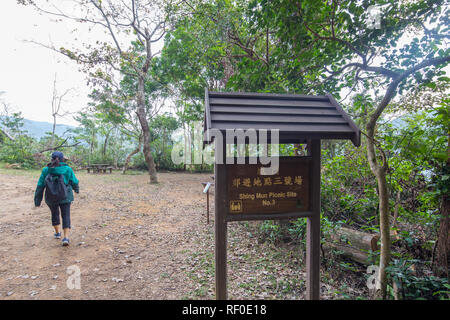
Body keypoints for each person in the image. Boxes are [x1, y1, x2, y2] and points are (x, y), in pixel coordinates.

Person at [34, 151, 79, 246]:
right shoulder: (67, 169)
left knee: (54, 214)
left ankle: (57, 233)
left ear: (52, 159)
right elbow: (74, 181)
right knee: (66, 215)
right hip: (66, 196)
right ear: (63, 159)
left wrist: (37, 201)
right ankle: (66, 238)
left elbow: (40, 185)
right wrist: (76, 190)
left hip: (50, 197)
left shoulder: (46, 170)